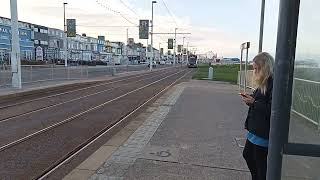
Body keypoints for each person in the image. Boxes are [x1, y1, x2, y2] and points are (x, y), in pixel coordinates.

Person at [240, 52, 274, 180]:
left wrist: (253, 102)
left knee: (260, 164)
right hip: (255, 130)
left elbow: (272, 110)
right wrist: (250, 100)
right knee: (248, 155)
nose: (254, 72)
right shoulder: (264, 83)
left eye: (256, 68)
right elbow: (260, 103)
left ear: (264, 68)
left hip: (263, 132)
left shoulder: (273, 83)